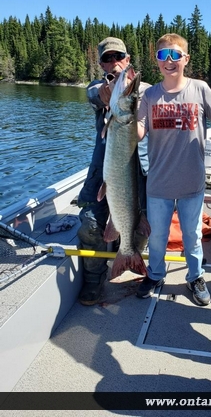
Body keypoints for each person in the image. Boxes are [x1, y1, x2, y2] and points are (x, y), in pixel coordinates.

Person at [136, 33, 211, 306]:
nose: (169, 61)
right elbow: (139, 132)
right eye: (163, 55)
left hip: (192, 184)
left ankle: (195, 276)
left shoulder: (200, 89)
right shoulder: (150, 95)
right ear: (156, 61)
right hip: (158, 185)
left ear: (185, 59)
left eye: (175, 55)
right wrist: (124, 118)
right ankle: (154, 274)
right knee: (157, 238)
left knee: (192, 237)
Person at [77, 37, 150, 305]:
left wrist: (131, 90)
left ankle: (129, 257)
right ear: (100, 64)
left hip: (138, 172)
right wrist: (111, 89)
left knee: (142, 226)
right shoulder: (98, 88)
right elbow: (97, 93)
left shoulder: (144, 90)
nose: (113, 62)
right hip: (102, 172)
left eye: (118, 56)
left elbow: (150, 93)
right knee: (89, 226)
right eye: (107, 58)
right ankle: (94, 281)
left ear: (127, 59)